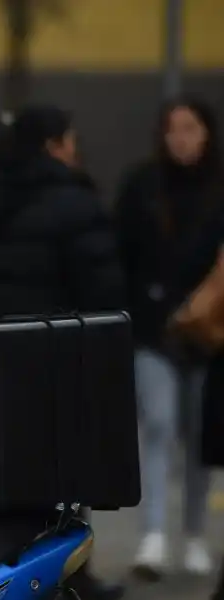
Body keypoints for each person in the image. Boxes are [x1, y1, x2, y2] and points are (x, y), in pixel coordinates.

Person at [0, 106, 126, 600]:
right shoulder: (73, 199)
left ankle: (1, 572)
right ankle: (69, 573)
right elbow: (103, 290)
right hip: (56, 361)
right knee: (64, 476)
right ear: (54, 145)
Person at [115, 97, 224, 578]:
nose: (181, 139)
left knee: (201, 435)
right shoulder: (142, 186)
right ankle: (154, 534)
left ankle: (195, 534)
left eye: (190, 128)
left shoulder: (218, 188)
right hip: (152, 329)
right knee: (158, 424)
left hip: (210, 333)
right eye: (173, 129)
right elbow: (121, 254)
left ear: (207, 133)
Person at [0, 105, 125, 321]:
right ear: (53, 145)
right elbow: (101, 288)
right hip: (52, 333)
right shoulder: (76, 203)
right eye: (72, 141)